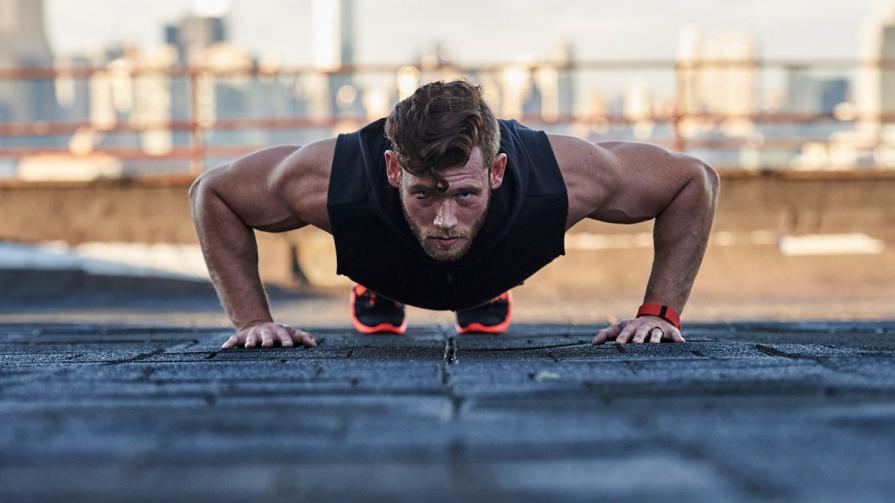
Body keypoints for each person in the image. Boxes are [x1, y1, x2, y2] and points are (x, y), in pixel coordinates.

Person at [189, 80, 719, 350]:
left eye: (464, 196)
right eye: (426, 194)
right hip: (385, 252)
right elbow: (212, 192)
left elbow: (694, 179)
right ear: (394, 170)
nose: (444, 217)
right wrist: (254, 322)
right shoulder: (329, 178)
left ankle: (483, 284)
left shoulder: (564, 176)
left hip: (498, 251)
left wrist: (659, 314)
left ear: (497, 171)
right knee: (413, 238)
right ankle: (379, 284)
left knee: (456, 243)